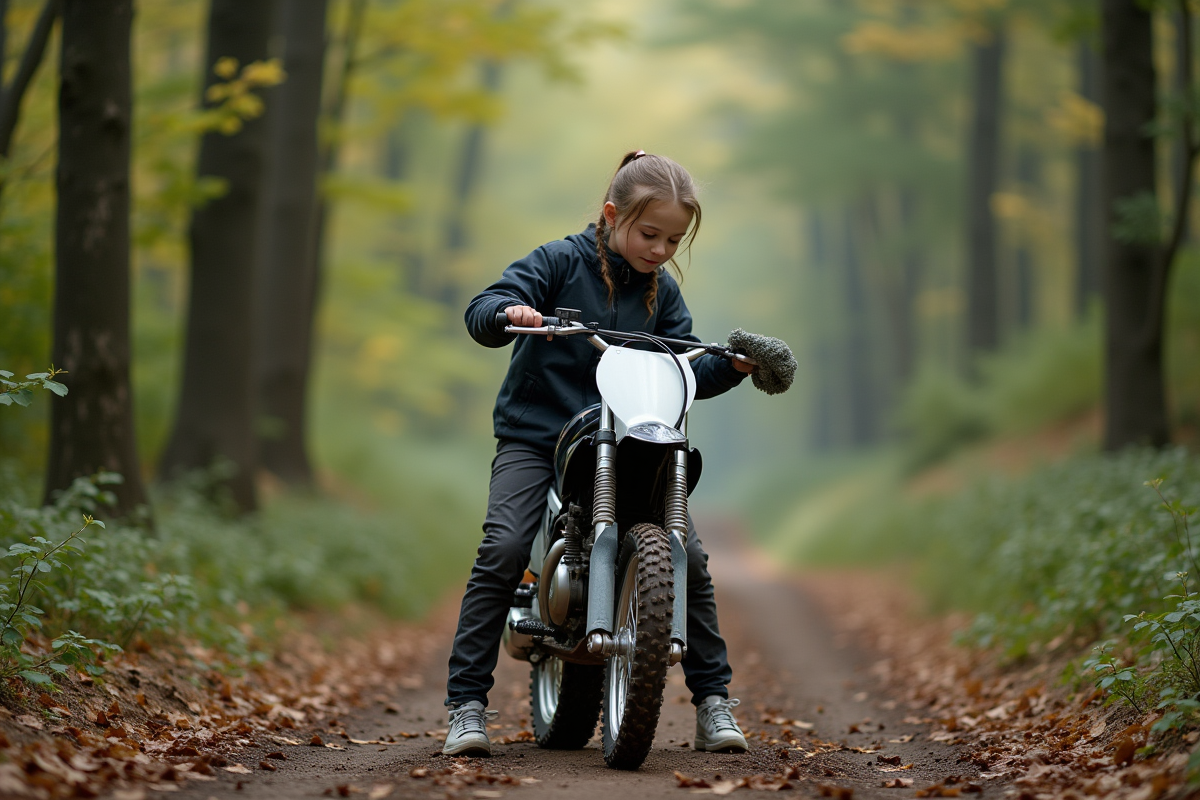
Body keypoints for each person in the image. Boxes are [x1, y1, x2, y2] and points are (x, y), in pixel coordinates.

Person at [446, 150, 752, 757]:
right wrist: (509, 313)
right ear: (612, 215)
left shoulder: (660, 295)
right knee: (504, 544)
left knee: (685, 549)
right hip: (539, 434)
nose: (661, 250)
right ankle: (466, 705)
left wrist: (735, 364)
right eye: (649, 233)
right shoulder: (558, 262)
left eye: (673, 239)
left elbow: (686, 362)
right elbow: (485, 307)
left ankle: (714, 702)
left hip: (628, 436)